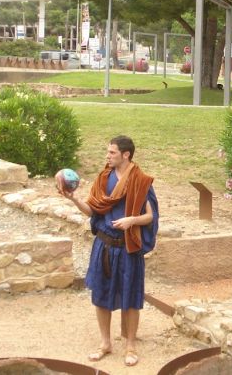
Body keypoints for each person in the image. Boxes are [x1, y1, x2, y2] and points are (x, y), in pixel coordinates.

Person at [60, 135, 158, 367]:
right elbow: (91, 212)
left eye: (112, 152)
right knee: (101, 296)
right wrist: (73, 199)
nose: (107, 155)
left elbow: (150, 216)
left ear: (126, 155)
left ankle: (131, 345)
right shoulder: (103, 178)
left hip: (127, 249)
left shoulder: (141, 181)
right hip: (103, 246)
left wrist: (131, 220)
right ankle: (105, 343)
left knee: (131, 298)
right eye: (108, 151)